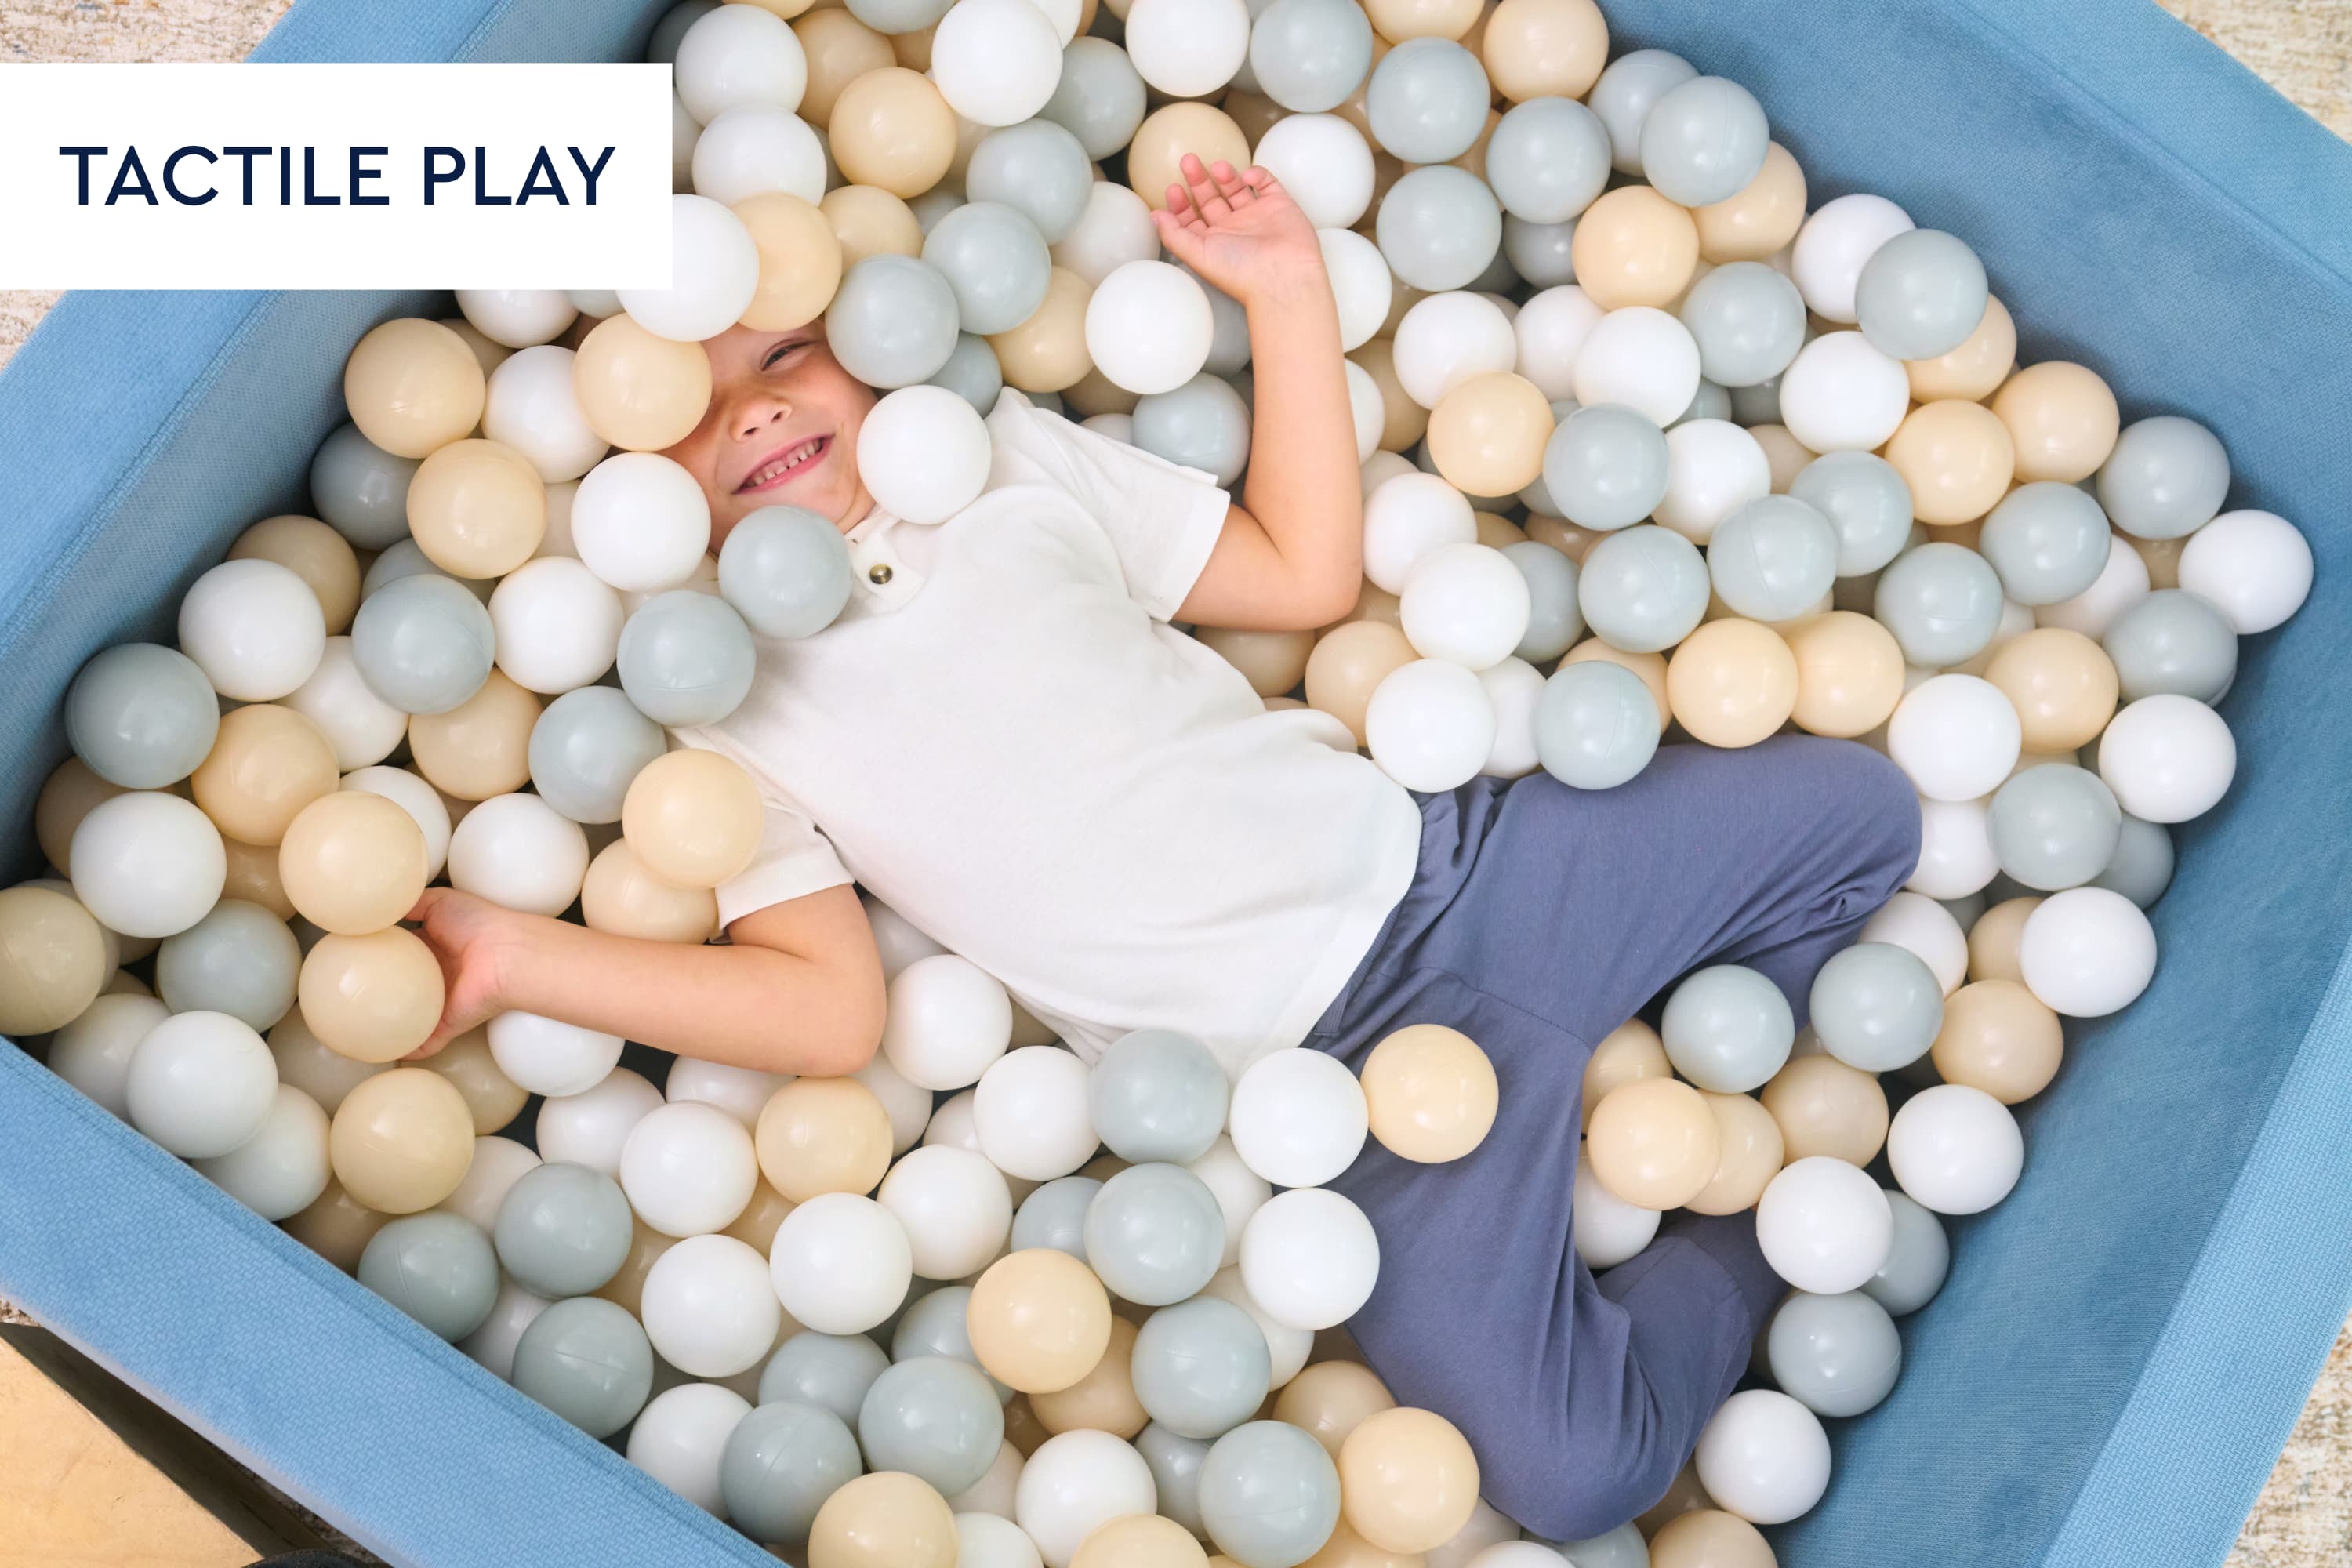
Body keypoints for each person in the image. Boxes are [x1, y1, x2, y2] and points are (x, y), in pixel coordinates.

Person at [407, 156, 1918, 1540]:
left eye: (782, 354)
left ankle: (1716, 1074)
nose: (748, 411)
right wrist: (518, 955)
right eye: (681, 406)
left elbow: (1303, 575)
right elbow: (825, 1009)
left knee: (1866, 817)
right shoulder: (722, 707)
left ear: (867, 340)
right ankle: (1756, 1215)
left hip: (1472, 882)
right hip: (1338, 1117)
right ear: (623, 484)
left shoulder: (1000, 465)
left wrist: (1287, 293)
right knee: (1581, 1472)